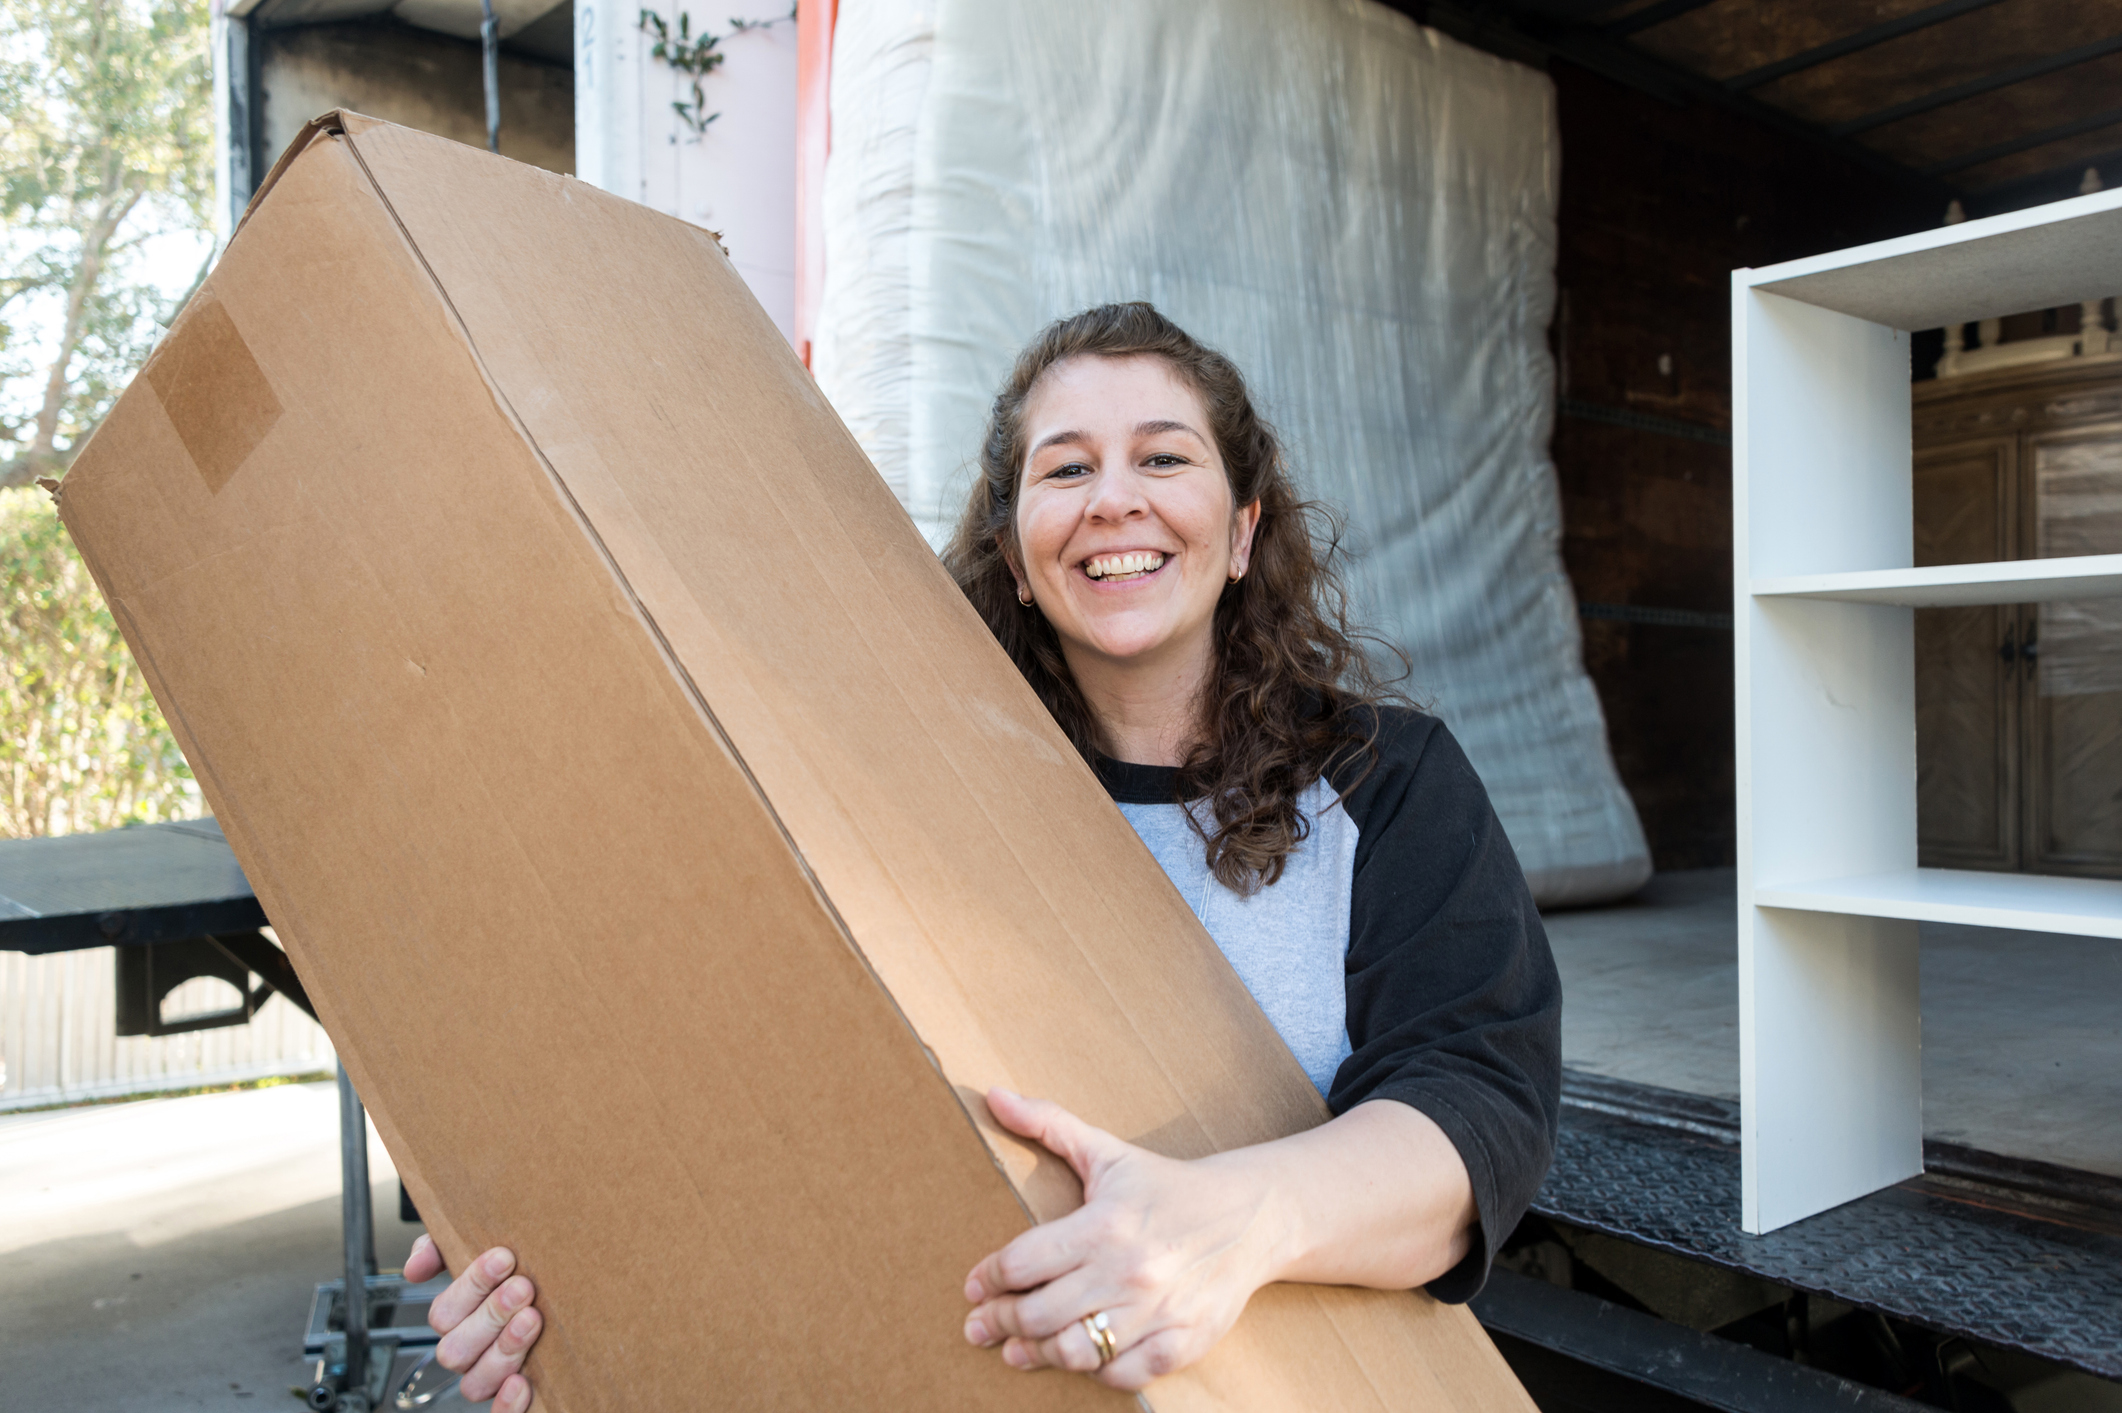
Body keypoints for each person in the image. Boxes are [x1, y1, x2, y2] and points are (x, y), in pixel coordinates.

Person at [404, 302, 1561, 1404]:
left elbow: (1477, 1105)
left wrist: (1234, 1221)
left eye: (1162, 458)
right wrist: (567, 1274)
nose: (1113, 500)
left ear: (1244, 531)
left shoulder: (1384, 783)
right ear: (1012, 554)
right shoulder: (906, 797)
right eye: (1066, 470)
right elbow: (728, 1087)